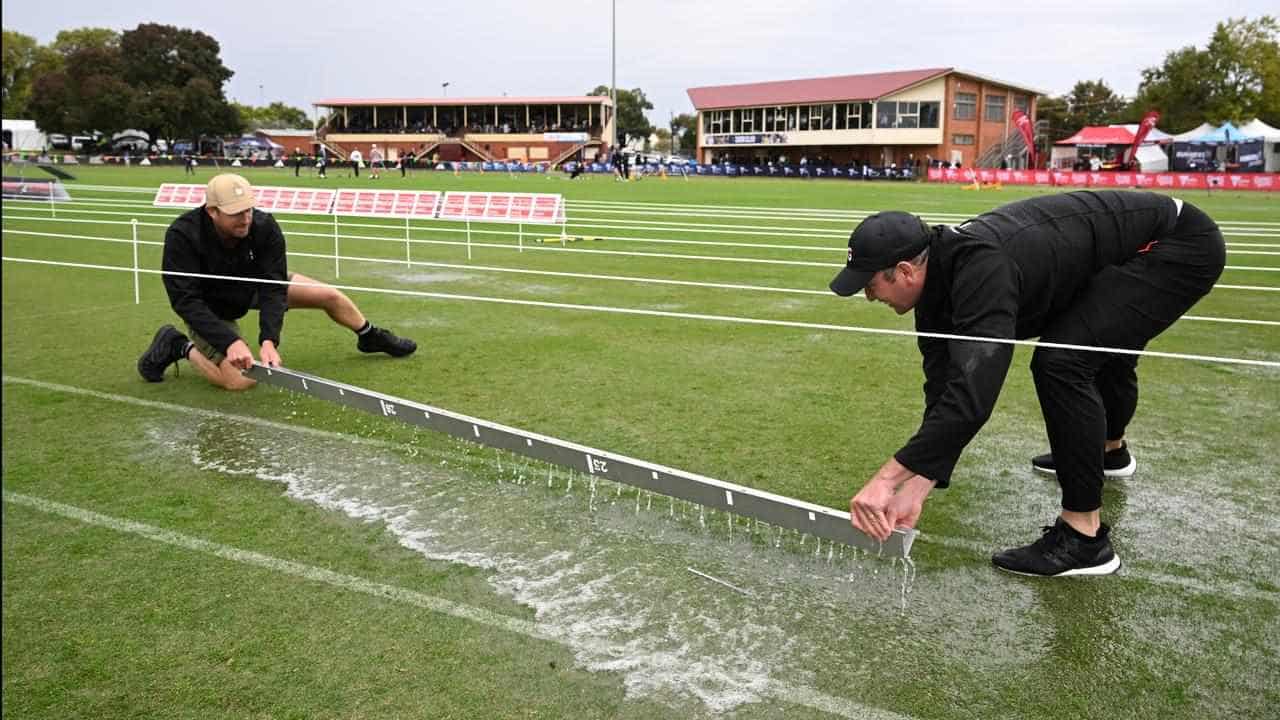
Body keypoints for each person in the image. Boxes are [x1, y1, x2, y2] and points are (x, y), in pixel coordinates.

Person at [829, 190, 1224, 577]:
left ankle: (1084, 539)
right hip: (1127, 250)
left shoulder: (982, 269)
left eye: (870, 285)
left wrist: (885, 479)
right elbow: (946, 390)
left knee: (1064, 361)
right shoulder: (936, 291)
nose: (867, 296)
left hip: (1176, 246)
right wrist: (915, 487)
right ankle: (1107, 453)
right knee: (1092, 344)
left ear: (904, 271)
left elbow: (973, 397)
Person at [137, 174, 417, 391]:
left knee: (329, 295)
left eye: (248, 209)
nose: (245, 219)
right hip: (211, 307)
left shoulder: (263, 226)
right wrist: (230, 341)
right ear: (212, 211)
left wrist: (269, 340)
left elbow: (273, 286)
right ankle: (178, 345)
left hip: (252, 287)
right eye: (235, 213)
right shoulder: (182, 236)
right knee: (241, 382)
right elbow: (185, 300)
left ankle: (369, 336)